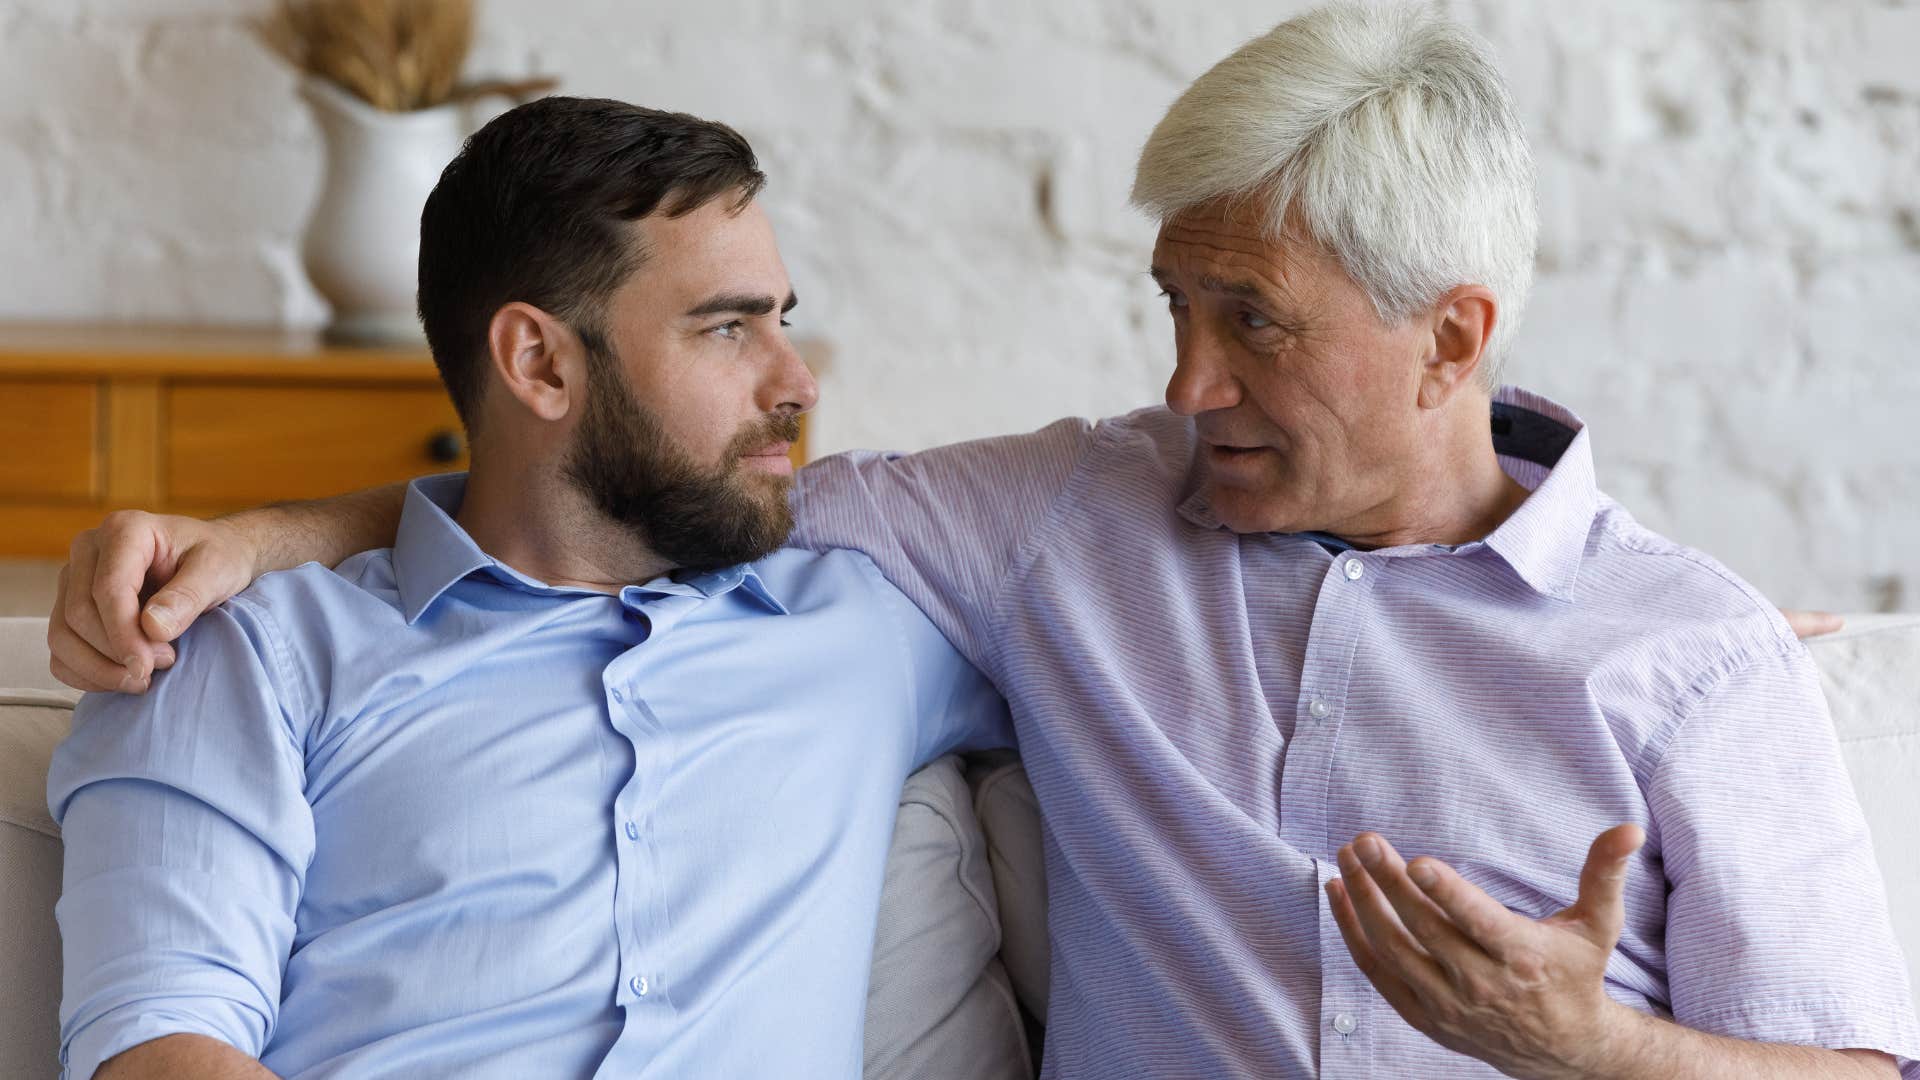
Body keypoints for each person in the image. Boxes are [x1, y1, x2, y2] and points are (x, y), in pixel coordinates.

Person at [49, 3, 1916, 1078]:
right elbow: (612, 507)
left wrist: (1601, 1053)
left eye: (1250, 321)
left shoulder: (1688, 651)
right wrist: (267, 534)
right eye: (1173, 308)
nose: (1184, 383)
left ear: (1454, 336)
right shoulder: (1063, 527)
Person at [47, 98, 1009, 1080]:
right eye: (726, 329)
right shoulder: (246, 652)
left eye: (782, 321)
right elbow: (160, 1044)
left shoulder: (871, 625)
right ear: (539, 362)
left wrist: (273, 529)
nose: (796, 381)